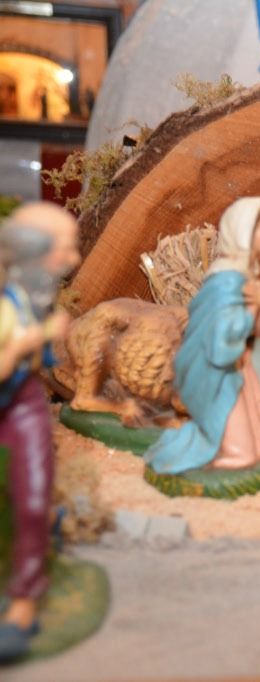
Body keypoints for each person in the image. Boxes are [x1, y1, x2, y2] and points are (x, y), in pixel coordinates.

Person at [145, 197, 260, 475]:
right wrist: (254, 310)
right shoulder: (227, 281)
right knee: (241, 450)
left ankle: (244, 449)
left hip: (239, 368)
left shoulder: (246, 276)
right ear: (244, 232)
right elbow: (221, 337)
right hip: (218, 374)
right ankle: (226, 452)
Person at [0, 202, 79, 660]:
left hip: (23, 402)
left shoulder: (35, 298)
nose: (73, 260)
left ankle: (23, 606)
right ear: (33, 250)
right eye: (65, 248)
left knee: (31, 495)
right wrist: (29, 341)